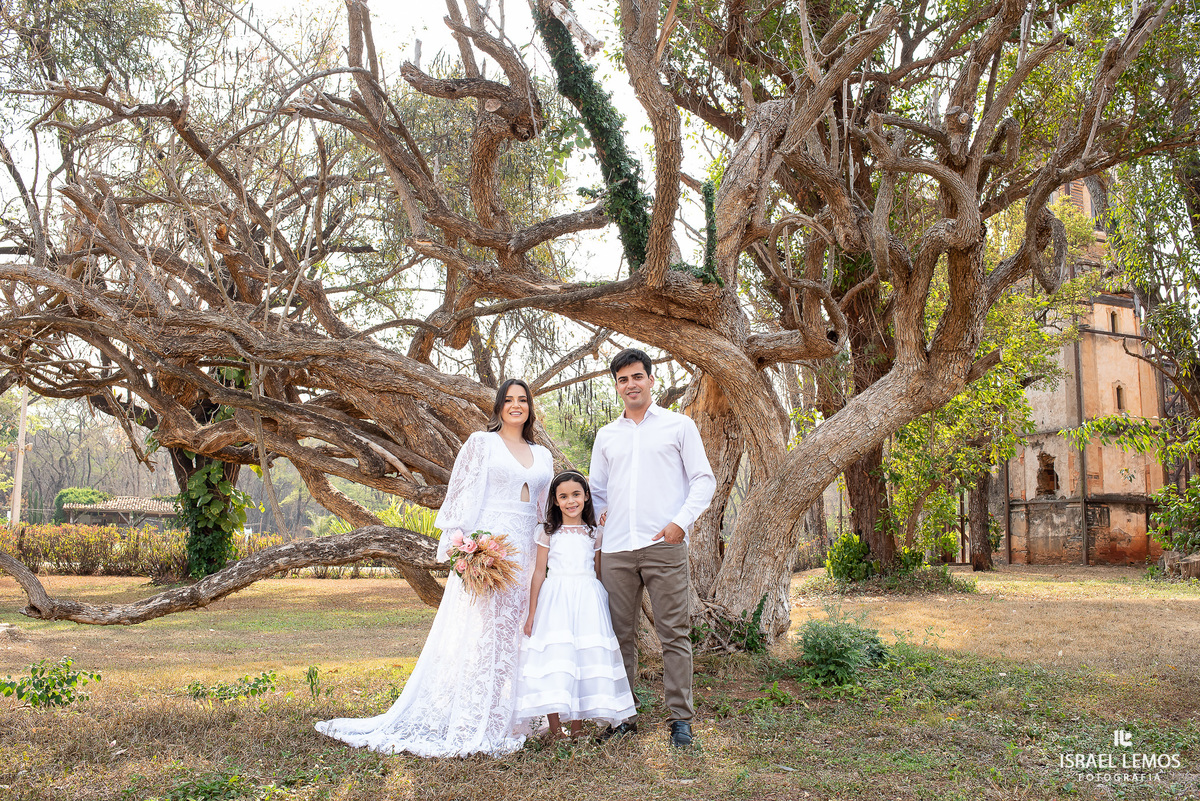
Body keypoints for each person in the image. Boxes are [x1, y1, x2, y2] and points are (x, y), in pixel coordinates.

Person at [315, 378, 554, 757]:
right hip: (490, 549)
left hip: (525, 551)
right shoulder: (482, 444)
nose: (515, 405)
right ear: (498, 407)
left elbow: (544, 511)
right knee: (483, 632)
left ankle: (514, 715)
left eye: (522, 400)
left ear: (530, 407)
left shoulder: (543, 456)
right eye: (508, 400)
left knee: (518, 631)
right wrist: (465, 549)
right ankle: (476, 716)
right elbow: (460, 493)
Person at [589, 348, 716, 749]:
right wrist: (600, 531)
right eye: (623, 379)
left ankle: (681, 720)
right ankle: (623, 717)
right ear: (616, 386)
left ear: (651, 380)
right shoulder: (607, 435)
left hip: (663, 546)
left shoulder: (679, 426)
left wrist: (680, 522)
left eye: (637, 377)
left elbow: (703, 479)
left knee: (673, 634)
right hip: (617, 551)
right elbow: (597, 492)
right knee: (617, 635)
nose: (631, 385)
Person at [514, 471, 636, 739]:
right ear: (556, 502)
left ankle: (578, 728)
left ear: (587, 497)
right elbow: (538, 573)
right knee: (556, 659)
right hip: (555, 598)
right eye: (564, 496)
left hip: (587, 599)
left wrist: (603, 605)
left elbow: (598, 571)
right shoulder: (547, 532)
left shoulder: (595, 533)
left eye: (576, 494)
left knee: (582, 658)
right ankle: (556, 728)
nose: (571, 501)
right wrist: (532, 613)